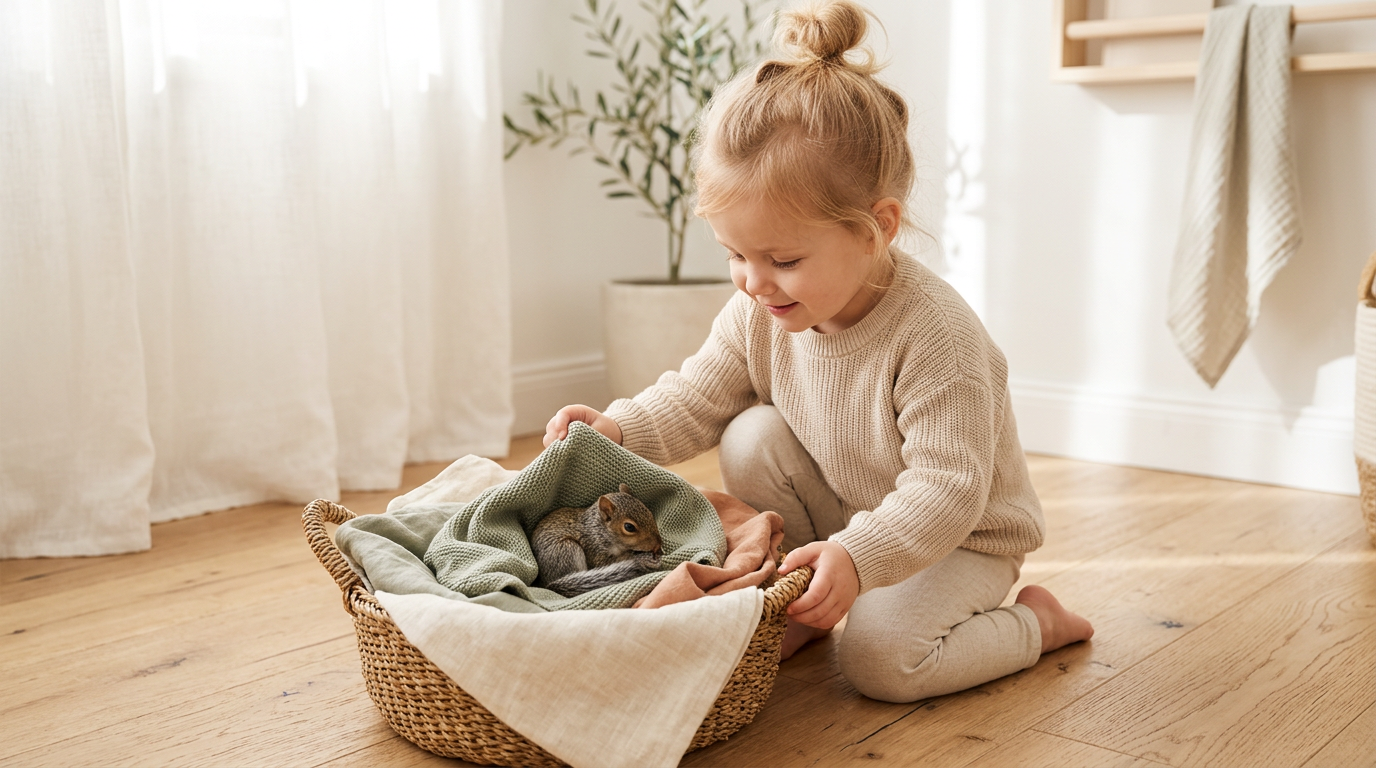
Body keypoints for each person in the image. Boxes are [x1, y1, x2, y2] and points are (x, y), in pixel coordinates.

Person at [543, 0, 1093, 703]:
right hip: (851, 513)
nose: (753, 280)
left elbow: (946, 492)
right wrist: (615, 429)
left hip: (960, 539)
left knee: (881, 662)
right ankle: (803, 594)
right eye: (736, 254)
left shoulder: (937, 338)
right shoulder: (760, 308)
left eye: (782, 258)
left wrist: (859, 557)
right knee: (749, 433)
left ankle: (1035, 625)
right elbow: (695, 395)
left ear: (875, 229)